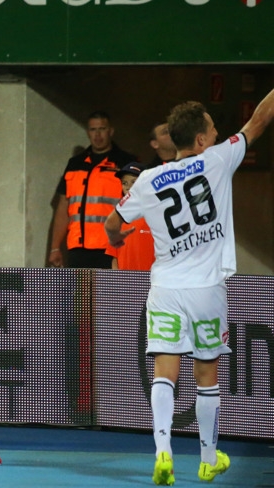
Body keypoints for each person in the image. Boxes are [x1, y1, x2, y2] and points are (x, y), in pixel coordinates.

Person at [106, 87, 274, 484]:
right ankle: (207, 458)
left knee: (165, 372)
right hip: (206, 290)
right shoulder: (218, 160)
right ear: (200, 139)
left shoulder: (147, 180)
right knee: (206, 376)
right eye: (213, 128)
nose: (217, 133)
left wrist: (115, 241)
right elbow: (260, 120)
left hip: (165, 288)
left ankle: (163, 453)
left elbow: (113, 224)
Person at [49, 111, 137, 268]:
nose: (98, 135)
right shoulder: (75, 164)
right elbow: (64, 207)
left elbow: (137, 207)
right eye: (93, 130)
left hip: (111, 247)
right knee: (82, 293)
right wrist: (55, 247)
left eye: (102, 129)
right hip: (78, 248)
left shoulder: (125, 162)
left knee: (109, 292)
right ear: (88, 132)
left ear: (111, 131)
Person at [104, 163, 154, 271]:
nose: (128, 186)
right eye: (124, 182)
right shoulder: (117, 218)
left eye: (133, 182)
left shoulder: (156, 215)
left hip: (153, 282)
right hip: (124, 283)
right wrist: (117, 281)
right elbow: (114, 256)